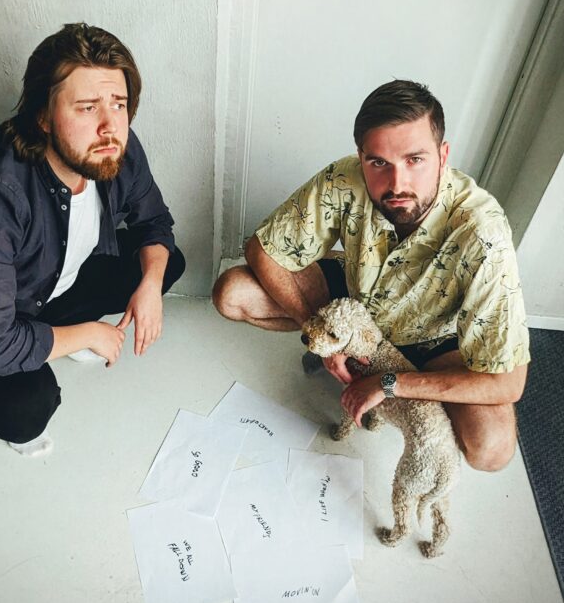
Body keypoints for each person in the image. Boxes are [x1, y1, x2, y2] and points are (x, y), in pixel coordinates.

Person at [212, 80, 529, 472]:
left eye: (415, 160)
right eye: (379, 162)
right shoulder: (345, 177)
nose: (397, 184)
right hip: (357, 302)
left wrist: (389, 383)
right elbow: (262, 248)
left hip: (435, 341)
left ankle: (403, 388)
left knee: (491, 449)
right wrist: (318, 332)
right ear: (361, 157)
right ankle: (344, 350)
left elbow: (508, 383)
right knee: (231, 293)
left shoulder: (484, 233)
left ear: (443, 156)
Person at [0, 23, 185, 455]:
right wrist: (87, 334)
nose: (110, 125)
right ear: (43, 118)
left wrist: (149, 286)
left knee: (164, 263)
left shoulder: (110, 145)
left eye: (119, 104)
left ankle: (56, 331)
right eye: (87, 108)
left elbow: (154, 223)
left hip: (45, 282)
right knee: (25, 411)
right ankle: (55, 342)